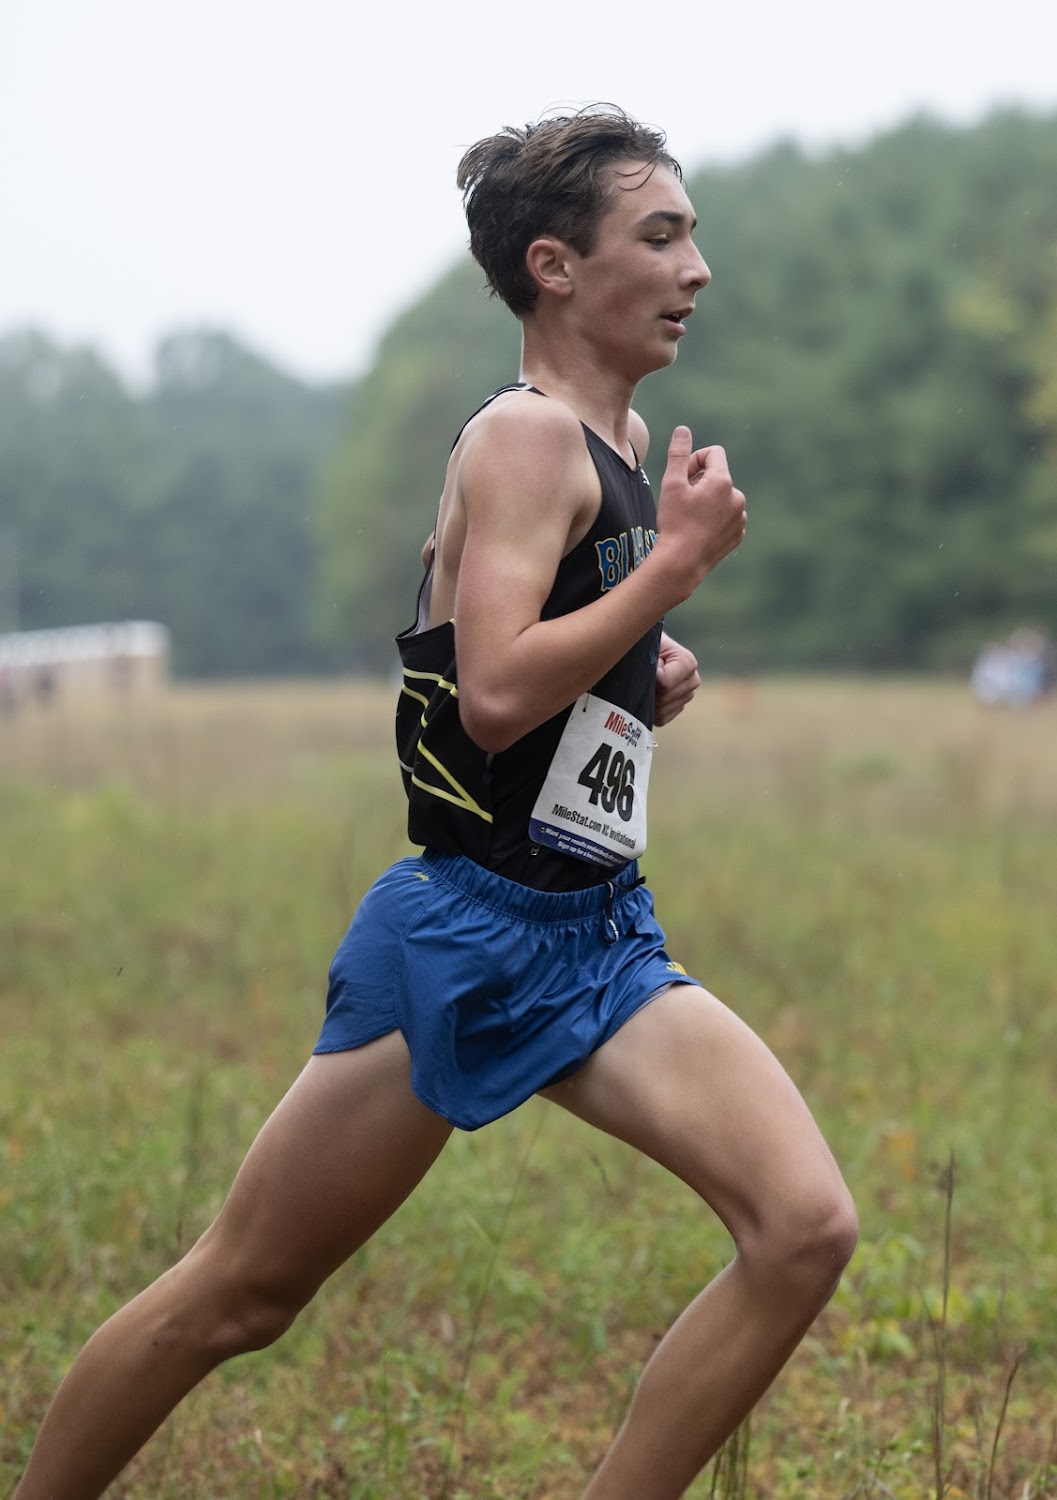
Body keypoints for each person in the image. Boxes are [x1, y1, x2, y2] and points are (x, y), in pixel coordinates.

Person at [15, 105, 857, 1500]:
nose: (697, 267)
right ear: (554, 267)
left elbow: (512, 656)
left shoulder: (616, 438)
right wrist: (672, 575)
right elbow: (492, 694)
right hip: (464, 935)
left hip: (600, 935)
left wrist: (638, 670)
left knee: (805, 1228)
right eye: (660, 236)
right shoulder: (524, 438)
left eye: (692, 234)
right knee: (239, 1294)